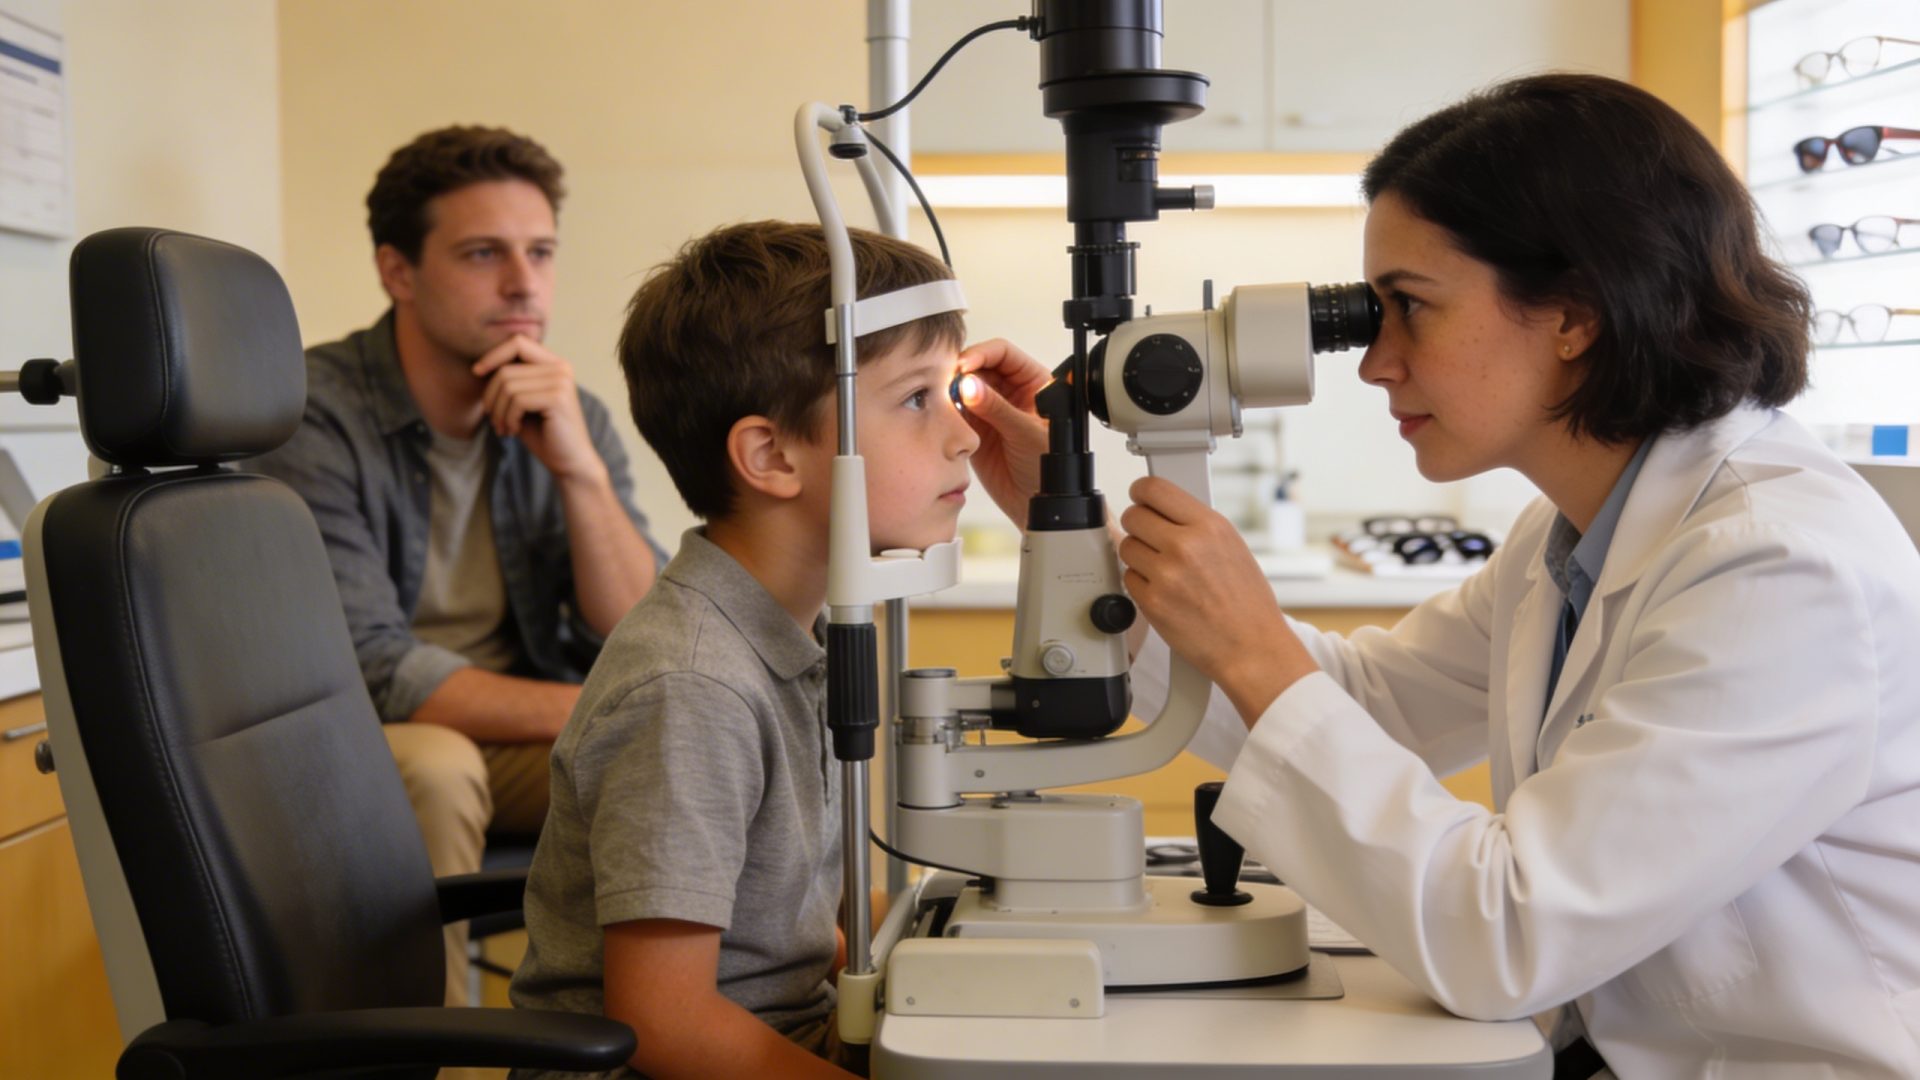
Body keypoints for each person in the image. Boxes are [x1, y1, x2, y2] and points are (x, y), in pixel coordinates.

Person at [957, 74, 1920, 1077]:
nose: (1375, 363)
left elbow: (1508, 936)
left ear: (1574, 313)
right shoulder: (1571, 535)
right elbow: (1372, 706)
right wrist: (1063, 529)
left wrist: (1249, 642)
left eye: (1409, 307)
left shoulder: (1783, 572)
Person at [507, 221, 975, 1078]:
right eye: (918, 399)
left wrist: (976, 934)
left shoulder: (789, 636)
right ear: (769, 455)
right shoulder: (693, 685)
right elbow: (666, 1019)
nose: (964, 435)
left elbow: (788, 925)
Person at [250, 125, 667, 1004]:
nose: (524, 284)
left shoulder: (568, 412)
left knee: (692, 734)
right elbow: (378, 670)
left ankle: (677, 1028)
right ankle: (442, 1057)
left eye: (540, 253)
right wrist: (596, 708)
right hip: (361, 737)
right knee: (442, 765)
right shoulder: (310, 416)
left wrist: (581, 474)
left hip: (508, 739)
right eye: (484, 253)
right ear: (397, 271)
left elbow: (641, 630)